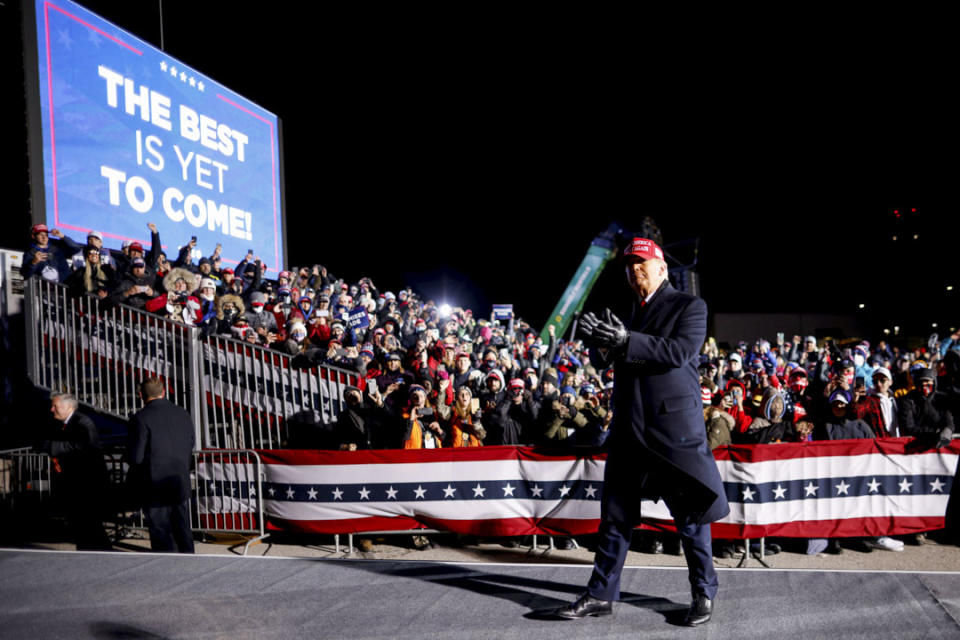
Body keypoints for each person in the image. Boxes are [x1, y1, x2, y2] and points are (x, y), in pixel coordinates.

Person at [556, 237, 728, 627]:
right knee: (615, 518)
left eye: (643, 264)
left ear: (662, 268)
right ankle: (600, 594)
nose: (635, 271)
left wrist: (625, 340)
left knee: (691, 519)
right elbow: (616, 359)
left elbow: (678, 352)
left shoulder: (690, 306)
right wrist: (602, 345)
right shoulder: (629, 312)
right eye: (630, 266)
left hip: (673, 433)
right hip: (630, 431)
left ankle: (704, 592)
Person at [126, 377, 196, 553]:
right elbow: (191, 442)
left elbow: (136, 456)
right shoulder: (182, 413)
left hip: (154, 483)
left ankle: (166, 566)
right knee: (182, 527)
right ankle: (192, 561)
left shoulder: (140, 418)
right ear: (164, 392)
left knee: (160, 531)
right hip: (179, 479)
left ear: (140, 394)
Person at [41, 393, 112, 550]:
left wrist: (52, 447)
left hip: (87, 484)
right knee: (82, 525)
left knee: (89, 524)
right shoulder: (64, 424)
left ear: (69, 407)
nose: (52, 409)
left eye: (55, 406)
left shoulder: (82, 423)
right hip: (75, 483)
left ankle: (101, 554)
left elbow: (80, 446)